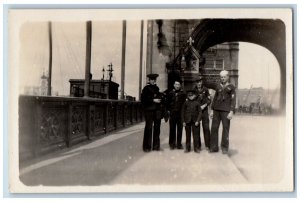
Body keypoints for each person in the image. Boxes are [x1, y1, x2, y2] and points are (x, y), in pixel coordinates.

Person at [210, 70, 236, 154]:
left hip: (226, 111)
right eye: (221, 77)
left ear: (228, 77)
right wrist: (212, 110)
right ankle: (214, 147)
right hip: (216, 110)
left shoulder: (231, 87)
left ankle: (224, 148)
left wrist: (231, 111)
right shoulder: (218, 87)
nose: (223, 78)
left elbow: (233, 100)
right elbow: (214, 99)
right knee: (214, 128)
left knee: (225, 129)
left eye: (224, 77)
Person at [141, 73, 163, 152]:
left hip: (157, 110)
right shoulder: (146, 89)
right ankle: (147, 146)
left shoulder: (157, 88)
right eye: (152, 80)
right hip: (149, 111)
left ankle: (156, 146)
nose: (153, 81)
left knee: (157, 128)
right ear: (149, 80)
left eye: (154, 80)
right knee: (149, 128)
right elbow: (143, 100)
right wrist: (153, 100)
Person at [166, 80, 186, 150]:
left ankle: (179, 144)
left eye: (178, 85)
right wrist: (169, 111)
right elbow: (167, 103)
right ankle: (172, 144)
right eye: (176, 84)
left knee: (180, 129)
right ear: (174, 85)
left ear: (180, 86)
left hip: (180, 114)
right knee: (172, 129)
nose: (177, 86)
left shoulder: (183, 94)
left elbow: (184, 104)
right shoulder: (170, 93)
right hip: (173, 114)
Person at [194, 76, 211, 151]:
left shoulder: (206, 90)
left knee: (206, 128)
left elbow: (209, 100)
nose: (199, 83)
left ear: (202, 82)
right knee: (196, 128)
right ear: (196, 83)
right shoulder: (193, 90)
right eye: (197, 82)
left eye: (200, 82)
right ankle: (198, 146)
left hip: (204, 111)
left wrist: (204, 105)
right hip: (196, 112)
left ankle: (208, 145)